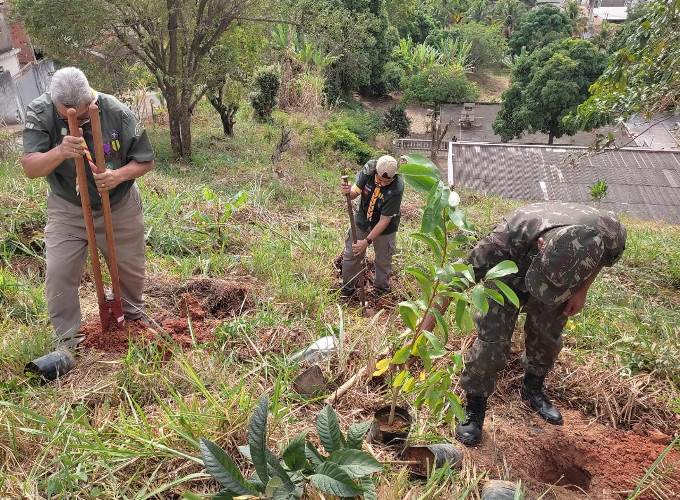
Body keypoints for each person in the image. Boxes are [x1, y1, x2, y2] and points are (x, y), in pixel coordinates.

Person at [455, 202, 627, 446]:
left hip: (564, 281)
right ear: (542, 245)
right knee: (491, 343)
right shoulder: (506, 237)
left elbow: (603, 259)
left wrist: (581, 289)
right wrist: (423, 328)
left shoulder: (609, 231)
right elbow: (456, 279)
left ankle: (532, 388)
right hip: (509, 274)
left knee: (547, 337)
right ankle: (474, 407)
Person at [21, 67, 155, 348]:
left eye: (82, 115)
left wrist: (117, 175)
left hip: (118, 205)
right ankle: (68, 340)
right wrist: (60, 151)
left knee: (130, 268)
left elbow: (145, 160)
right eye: (66, 115)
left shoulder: (118, 112)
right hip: (68, 207)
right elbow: (31, 167)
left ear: (90, 99)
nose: (76, 121)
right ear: (54, 102)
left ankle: (132, 322)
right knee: (60, 271)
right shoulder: (39, 112)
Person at [341, 155, 404, 296]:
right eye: (379, 179)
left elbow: (384, 220)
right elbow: (353, 193)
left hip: (385, 228)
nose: (382, 183)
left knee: (383, 259)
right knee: (352, 254)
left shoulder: (397, 188)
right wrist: (347, 192)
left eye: (386, 181)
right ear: (375, 172)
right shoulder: (368, 170)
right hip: (363, 219)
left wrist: (367, 241)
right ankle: (347, 290)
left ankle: (381, 292)